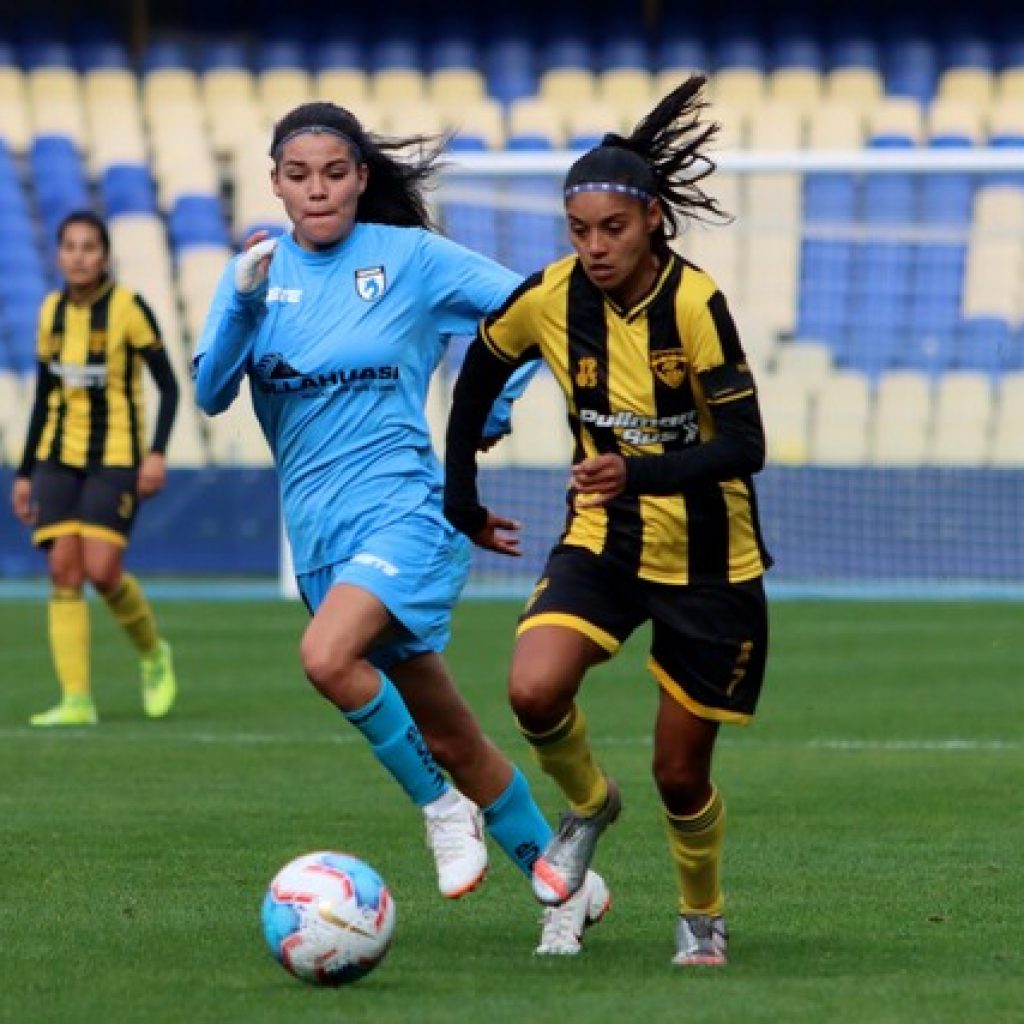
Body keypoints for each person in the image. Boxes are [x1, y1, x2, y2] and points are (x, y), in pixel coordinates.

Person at [192, 101, 610, 955]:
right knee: (452, 731)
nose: (318, 190)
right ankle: (570, 885)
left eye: (335, 173)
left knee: (325, 658)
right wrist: (239, 302)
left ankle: (441, 808)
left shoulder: (410, 259)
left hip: (408, 513)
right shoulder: (255, 280)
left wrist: (486, 414)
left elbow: (529, 314)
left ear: (362, 179)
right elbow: (208, 391)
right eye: (299, 175)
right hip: (321, 543)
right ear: (274, 183)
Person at [443, 75, 773, 967]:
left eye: (612, 229)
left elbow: (747, 443)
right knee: (532, 689)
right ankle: (587, 802)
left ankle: (701, 915)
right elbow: (478, 367)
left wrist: (641, 469)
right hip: (604, 539)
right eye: (579, 229)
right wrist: (460, 491)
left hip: (712, 560)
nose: (594, 247)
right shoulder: (551, 296)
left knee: (680, 773)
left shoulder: (696, 305)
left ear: (654, 220)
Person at [11, 210, 180, 727]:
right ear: (58, 255)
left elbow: (169, 386)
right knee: (63, 572)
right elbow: (44, 396)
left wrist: (156, 453)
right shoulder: (51, 312)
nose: (79, 256)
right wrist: (24, 471)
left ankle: (154, 654)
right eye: (69, 247)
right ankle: (76, 699)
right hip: (58, 460)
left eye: (89, 247)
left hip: (116, 461)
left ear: (105, 256)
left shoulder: (129, 309)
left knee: (103, 572)